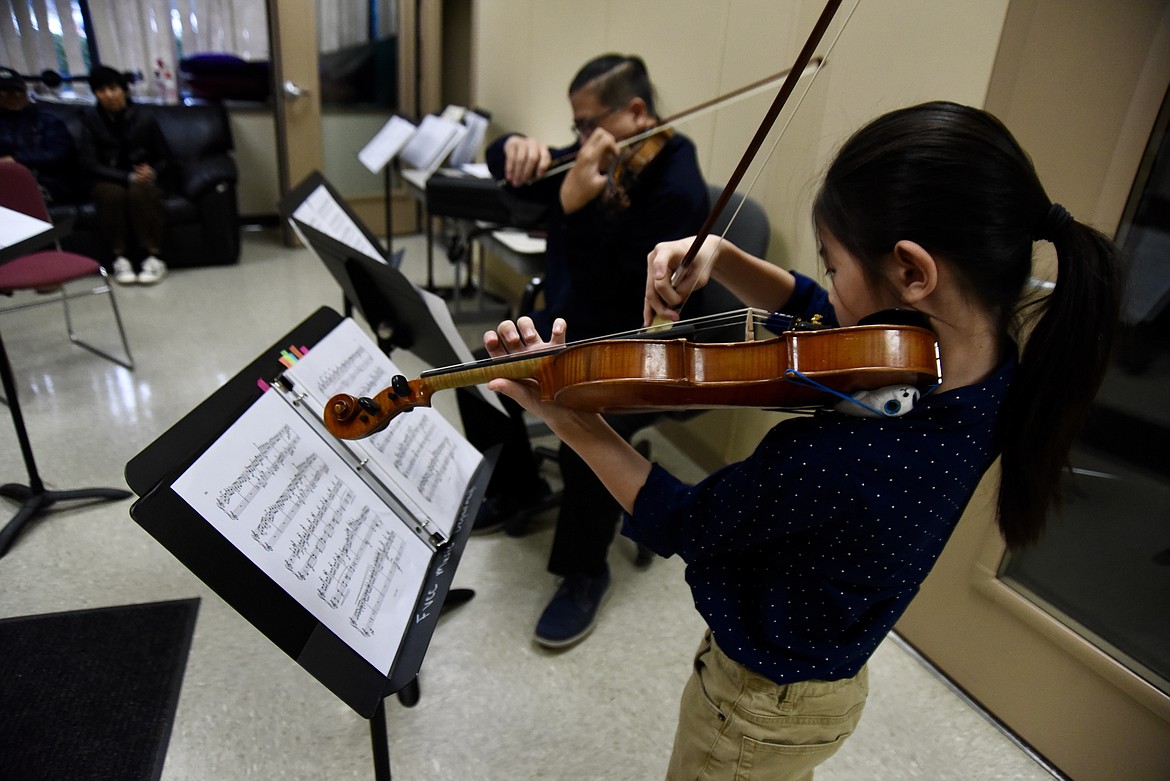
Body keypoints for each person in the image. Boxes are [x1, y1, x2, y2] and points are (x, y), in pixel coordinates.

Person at [477, 101, 1122, 780]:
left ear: (913, 272)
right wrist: (722, 256)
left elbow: (685, 519)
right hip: (825, 678)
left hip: (753, 708)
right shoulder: (993, 372)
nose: (828, 307)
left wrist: (574, 422)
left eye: (837, 265)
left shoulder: (836, 458)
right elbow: (822, 304)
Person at [457, 53, 710, 649]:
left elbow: (620, 291)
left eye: (585, 124)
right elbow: (514, 177)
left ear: (637, 112)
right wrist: (512, 146)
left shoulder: (675, 187)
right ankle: (519, 487)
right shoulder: (607, 152)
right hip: (575, 325)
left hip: (639, 343)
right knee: (478, 369)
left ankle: (583, 571)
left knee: (578, 415)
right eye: (574, 128)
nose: (578, 140)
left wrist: (574, 210)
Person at [77, 65, 171, 285]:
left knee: (140, 191)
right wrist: (125, 177)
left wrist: (152, 171)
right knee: (112, 194)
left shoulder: (145, 118)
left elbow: (166, 157)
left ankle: (153, 257)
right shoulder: (90, 120)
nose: (108, 95)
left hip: (142, 179)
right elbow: (88, 163)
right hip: (108, 179)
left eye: (113, 88)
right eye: (101, 90)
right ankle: (120, 258)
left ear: (124, 90)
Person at [0, 65, 76, 204]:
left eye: (18, 90)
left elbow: (59, 152)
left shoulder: (45, 118)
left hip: (44, 179)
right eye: (5, 91)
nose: (14, 95)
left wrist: (16, 159)